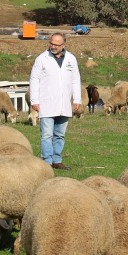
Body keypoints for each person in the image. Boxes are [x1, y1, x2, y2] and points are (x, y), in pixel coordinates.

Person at [28, 31, 83, 169]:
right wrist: (34, 100)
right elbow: (34, 79)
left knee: (59, 134)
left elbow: (76, 79)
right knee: (46, 134)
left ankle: (57, 160)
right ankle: (47, 161)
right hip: (46, 102)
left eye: (56, 44)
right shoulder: (42, 59)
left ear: (63, 44)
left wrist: (77, 98)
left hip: (64, 103)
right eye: (51, 43)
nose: (53, 46)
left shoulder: (71, 59)